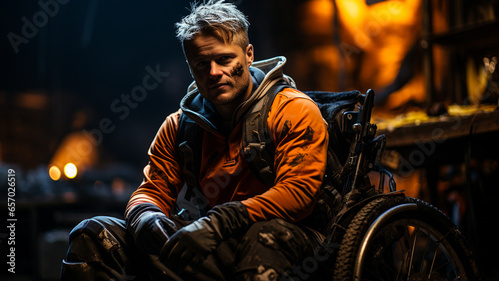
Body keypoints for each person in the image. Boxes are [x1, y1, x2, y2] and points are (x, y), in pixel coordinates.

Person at [60, 1, 329, 280]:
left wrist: (222, 221)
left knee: (264, 237)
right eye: (201, 63)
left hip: (286, 239)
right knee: (92, 233)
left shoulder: (292, 110)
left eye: (225, 59)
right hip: (207, 240)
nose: (213, 72)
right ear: (190, 67)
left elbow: (299, 193)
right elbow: (152, 190)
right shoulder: (179, 126)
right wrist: (145, 216)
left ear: (248, 55)